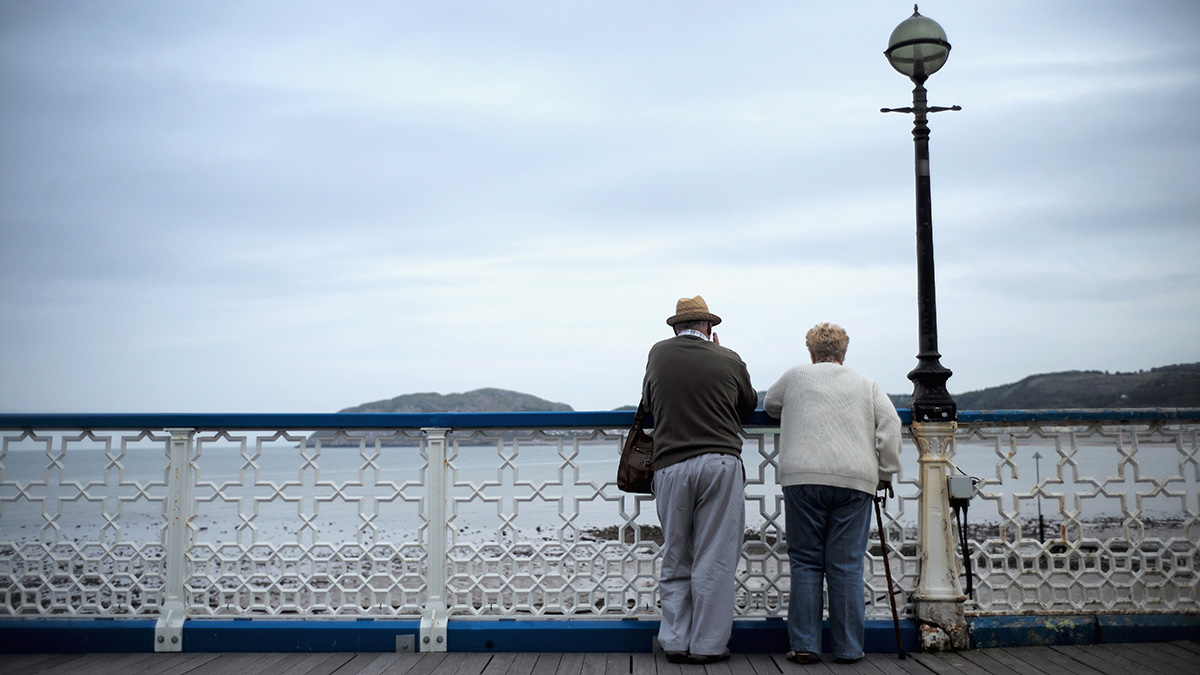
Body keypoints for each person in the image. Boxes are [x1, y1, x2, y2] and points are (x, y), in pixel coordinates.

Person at [764, 322, 901, 664]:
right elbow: (891, 425)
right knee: (846, 566)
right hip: (855, 480)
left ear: (810, 353)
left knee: (807, 562)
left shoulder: (797, 376)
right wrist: (885, 472)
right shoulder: (866, 384)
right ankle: (849, 648)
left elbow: (769, 404)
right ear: (844, 353)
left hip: (803, 477)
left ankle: (805, 645)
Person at [642, 295, 757, 665]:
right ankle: (707, 645)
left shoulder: (658, 354)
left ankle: (675, 640)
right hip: (719, 463)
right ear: (709, 328)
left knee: (677, 553)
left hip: (671, 466)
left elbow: (648, 402)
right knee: (716, 557)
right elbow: (748, 404)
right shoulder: (729, 358)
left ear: (676, 327)